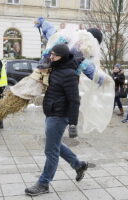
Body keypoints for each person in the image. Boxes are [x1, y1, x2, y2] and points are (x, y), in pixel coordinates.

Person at [25, 44, 88, 196]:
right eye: (51, 54)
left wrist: (73, 123)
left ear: (63, 57)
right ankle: (78, 165)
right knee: (56, 145)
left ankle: (43, 183)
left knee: (50, 150)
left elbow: (74, 100)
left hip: (59, 116)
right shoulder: (54, 69)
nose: (51, 57)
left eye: (55, 55)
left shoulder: (69, 74)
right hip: (51, 112)